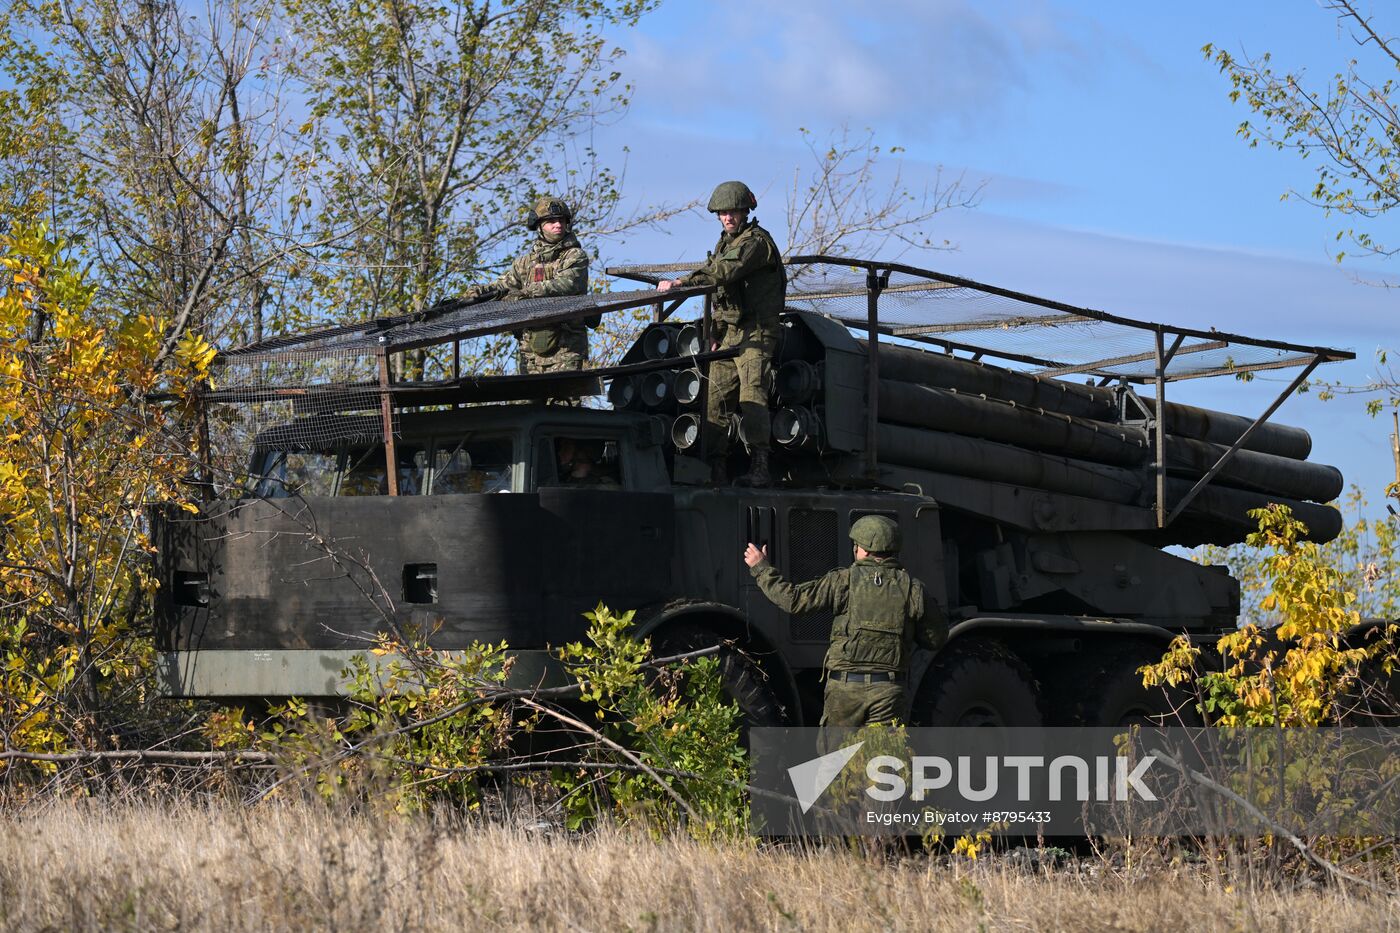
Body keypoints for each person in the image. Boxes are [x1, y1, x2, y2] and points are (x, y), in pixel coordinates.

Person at [743, 515, 946, 744]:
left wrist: (761, 568)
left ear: (862, 549)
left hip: (845, 690)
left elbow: (793, 600)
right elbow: (935, 639)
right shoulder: (914, 589)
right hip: (888, 691)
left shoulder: (843, 580)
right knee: (882, 766)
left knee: (835, 767)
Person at [658, 181, 785, 486]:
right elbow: (722, 295)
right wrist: (714, 330)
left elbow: (724, 272)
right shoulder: (724, 244)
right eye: (723, 213)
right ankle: (715, 467)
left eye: (734, 212)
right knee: (714, 399)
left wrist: (680, 283)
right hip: (730, 332)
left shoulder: (756, 242)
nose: (728, 217)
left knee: (752, 393)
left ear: (745, 212)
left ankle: (760, 467)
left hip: (757, 330)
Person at [467, 197, 592, 374]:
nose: (558, 225)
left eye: (561, 220)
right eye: (551, 221)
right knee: (528, 400)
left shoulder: (574, 256)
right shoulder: (524, 263)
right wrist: (480, 292)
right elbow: (504, 285)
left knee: (566, 400)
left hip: (567, 349)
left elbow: (567, 284)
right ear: (539, 226)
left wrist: (526, 293)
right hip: (530, 351)